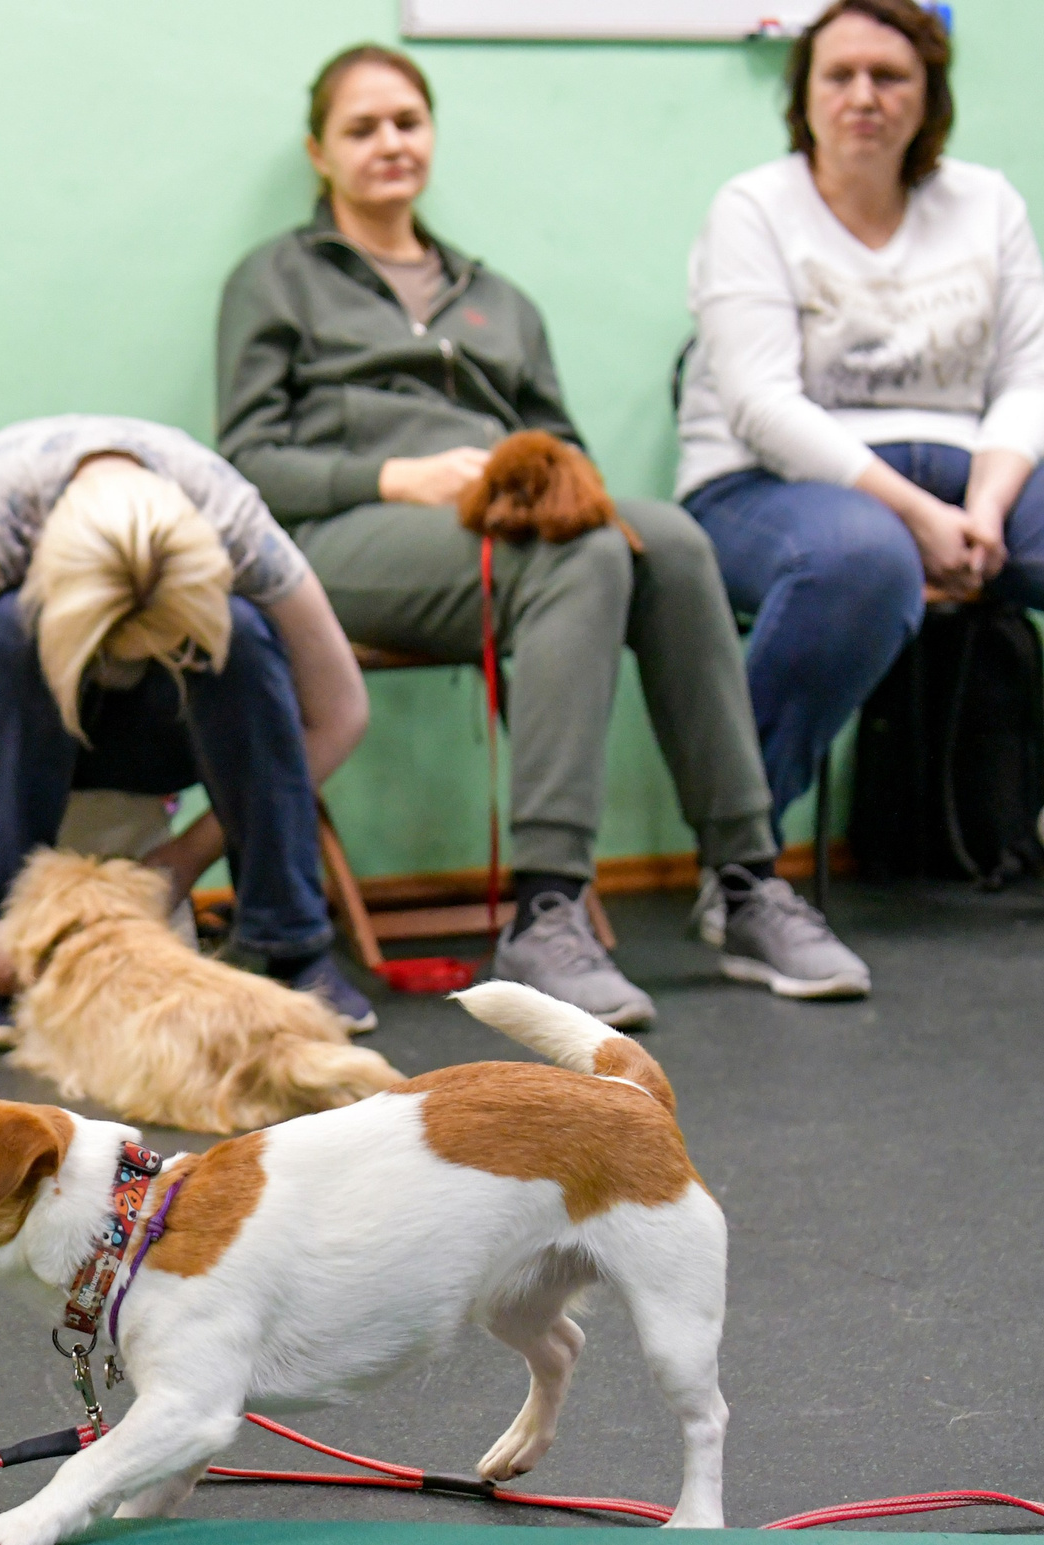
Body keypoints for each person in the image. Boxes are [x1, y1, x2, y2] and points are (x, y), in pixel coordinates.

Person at [216, 43, 871, 1029]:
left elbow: (566, 446)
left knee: (670, 542)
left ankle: (743, 881)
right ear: (320, 152)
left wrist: (543, 484)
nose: (390, 142)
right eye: (362, 128)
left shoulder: (497, 298)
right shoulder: (276, 279)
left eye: (407, 122)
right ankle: (546, 910)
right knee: (586, 553)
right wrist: (397, 477)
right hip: (343, 541)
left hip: (510, 532)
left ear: (431, 135)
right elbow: (249, 463)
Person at [0, 416, 377, 1047]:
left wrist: (186, 858)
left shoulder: (229, 519)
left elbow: (341, 713)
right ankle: (11, 960)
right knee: (9, 630)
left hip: (154, 731)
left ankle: (290, 946)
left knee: (243, 632)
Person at [678, 0, 1044, 829]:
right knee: (861, 561)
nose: (864, 97)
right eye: (839, 76)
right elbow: (763, 405)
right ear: (804, 96)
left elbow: (1027, 379)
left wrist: (986, 511)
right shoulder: (753, 208)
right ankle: (740, 850)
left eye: (890, 76)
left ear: (930, 95)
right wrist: (918, 518)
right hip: (765, 483)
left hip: (968, 474)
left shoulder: (988, 203)